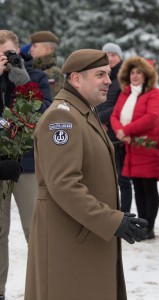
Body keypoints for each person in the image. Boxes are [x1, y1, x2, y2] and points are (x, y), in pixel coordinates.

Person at [24, 49, 148, 300]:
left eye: (109, 74)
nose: (108, 81)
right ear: (76, 79)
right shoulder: (62, 117)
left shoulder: (82, 111)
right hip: (70, 241)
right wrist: (112, 221)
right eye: (100, 74)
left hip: (83, 236)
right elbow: (64, 185)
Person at [0, 29, 52, 300]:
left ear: (18, 51)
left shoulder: (37, 78)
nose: (4, 59)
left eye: (8, 53)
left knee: (36, 232)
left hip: (28, 164)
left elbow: (45, 117)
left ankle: (43, 291)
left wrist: (21, 80)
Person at [111, 56, 159, 240]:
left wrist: (126, 130)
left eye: (139, 73)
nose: (135, 76)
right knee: (137, 187)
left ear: (146, 75)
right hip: (131, 147)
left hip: (148, 146)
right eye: (132, 72)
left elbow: (152, 117)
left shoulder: (154, 94)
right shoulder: (125, 93)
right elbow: (115, 115)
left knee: (148, 187)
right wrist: (119, 131)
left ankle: (149, 227)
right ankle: (142, 225)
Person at [97, 42, 133, 213]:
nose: (110, 58)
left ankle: (124, 214)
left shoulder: (124, 77)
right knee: (103, 177)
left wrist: (100, 118)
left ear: (119, 57)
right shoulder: (99, 74)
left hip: (117, 133)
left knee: (123, 179)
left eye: (114, 55)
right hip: (100, 130)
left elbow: (122, 104)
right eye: (107, 55)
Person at [30, 30, 64, 98]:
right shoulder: (33, 69)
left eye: (34, 46)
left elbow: (51, 101)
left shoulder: (53, 73)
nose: (31, 49)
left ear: (46, 50)